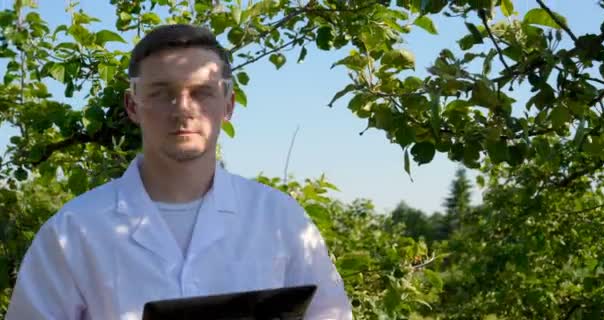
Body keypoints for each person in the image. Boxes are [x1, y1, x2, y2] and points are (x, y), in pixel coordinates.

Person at [6, 24, 352, 320]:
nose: (183, 110)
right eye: (161, 93)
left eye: (202, 93)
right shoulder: (73, 231)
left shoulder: (282, 221)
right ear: (133, 105)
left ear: (228, 105)